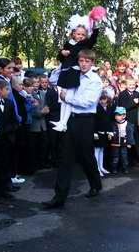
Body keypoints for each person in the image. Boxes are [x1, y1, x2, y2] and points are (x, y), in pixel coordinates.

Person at [42, 49, 102, 209]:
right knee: (65, 158)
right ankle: (59, 197)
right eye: (81, 61)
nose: (83, 64)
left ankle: (96, 184)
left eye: (87, 61)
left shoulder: (95, 80)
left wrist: (65, 97)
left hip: (85, 121)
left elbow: (87, 102)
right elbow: (54, 80)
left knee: (86, 157)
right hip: (70, 120)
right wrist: (63, 64)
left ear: (92, 63)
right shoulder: (73, 73)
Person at [51, 11, 102, 132]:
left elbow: (93, 40)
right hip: (65, 71)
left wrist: (95, 27)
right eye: (78, 34)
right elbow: (61, 57)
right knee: (62, 98)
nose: (80, 36)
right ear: (73, 33)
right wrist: (62, 53)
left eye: (83, 35)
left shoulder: (85, 44)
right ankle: (61, 121)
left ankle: (64, 123)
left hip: (73, 72)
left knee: (68, 98)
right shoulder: (68, 43)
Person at [0, 80, 19, 201]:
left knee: (5, 164)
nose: (8, 92)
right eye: (6, 89)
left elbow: (15, 122)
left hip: (7, 139)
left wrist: (8, 130)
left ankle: (4, 190)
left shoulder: (9, 103)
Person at [117, 76, 139, 165]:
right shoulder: (122, 94)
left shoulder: (137, 93)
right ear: (126, 85)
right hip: (127, 120)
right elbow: (123, 107)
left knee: (136, 139)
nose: (132, 86)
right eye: (130, 85)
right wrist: (133, 102)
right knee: (127, 140)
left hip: (136, 120)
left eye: (133, 84)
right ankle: (127, 160)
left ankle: (136, 158)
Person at [110, 106, 135, 174]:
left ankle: (125, 168)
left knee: (124, 156)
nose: (116, 116)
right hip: (115, 142)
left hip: (124, 142)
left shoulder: (128, 124)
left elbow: (130, 134)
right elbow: (110, 133)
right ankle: (114, 168)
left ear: (124, 116)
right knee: (115, 156)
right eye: (116, 115)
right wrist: (110, 137)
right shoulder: (113, 124)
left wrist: (130, 143)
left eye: (118, 115)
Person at [94, 93, 114, 177]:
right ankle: (96, 168)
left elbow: (110, 121)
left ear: (107, 99)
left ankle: (101, 167)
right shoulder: (96, 108)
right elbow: (93, 121)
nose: (103, 101)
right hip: (98, 132)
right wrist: (94, 132)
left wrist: (110, 132)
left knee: (102, 150)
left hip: (105, 132)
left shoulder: (109, 108)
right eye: (101, 99)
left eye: (104, 99)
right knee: (97, 150)